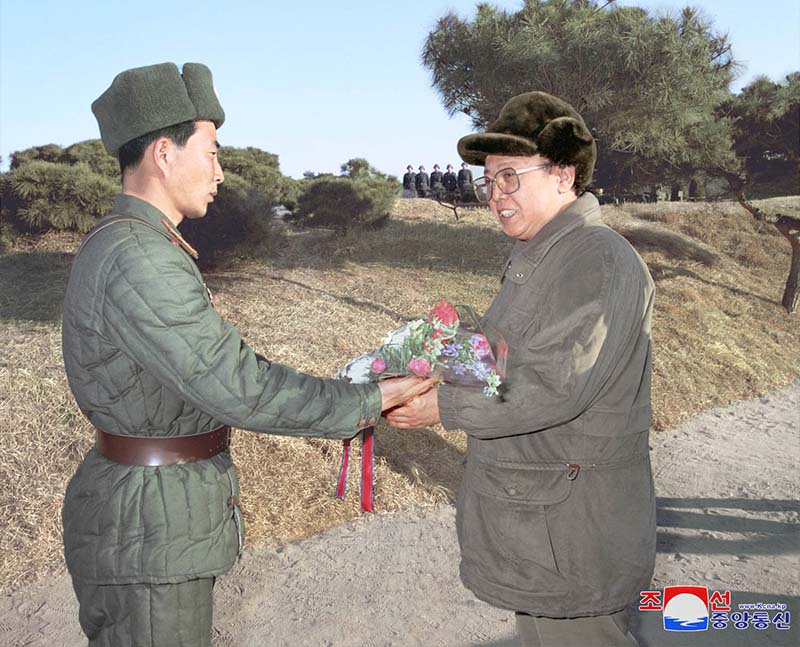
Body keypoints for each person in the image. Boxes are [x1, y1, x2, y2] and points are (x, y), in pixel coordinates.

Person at [61, 62, 431, 647]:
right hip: (151, 529)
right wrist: (366, 398)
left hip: (148, 516)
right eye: (210, 153)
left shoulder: (136, 243)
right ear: (164, 153)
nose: (219, 171)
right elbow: (237, 385)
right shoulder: (140, 257)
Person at [387, 91, 656, 647]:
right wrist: (434, 354)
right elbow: (508, 357)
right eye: (488, 181)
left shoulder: (596, 257)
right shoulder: (543, 252)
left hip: (573, 527)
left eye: (510, 177)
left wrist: (441, 405)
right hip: (542, 517)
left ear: (564, 174)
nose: (495, 195)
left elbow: (555, 383)